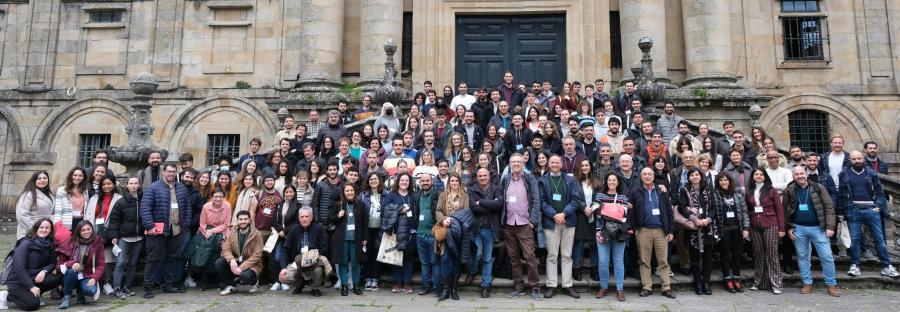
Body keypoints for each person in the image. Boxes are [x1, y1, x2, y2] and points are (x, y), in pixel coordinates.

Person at [840, 151, 899, 277]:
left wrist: (878, 207)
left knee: (880, 240)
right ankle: (855, 265)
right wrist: (842, 212)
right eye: (854, 159)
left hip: (871, 211)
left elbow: (880, 192)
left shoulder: (871, 173)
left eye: (859, 158)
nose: (857, 160)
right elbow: (841, 195)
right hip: (853, 210)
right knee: (855, 240)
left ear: (863, 159)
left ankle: (886, 265)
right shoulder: (844, 174)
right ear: (850, 160)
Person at [783, 166, 840, 297]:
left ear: (806, 174)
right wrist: (789, 227)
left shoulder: (818, 188)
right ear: (793, 176)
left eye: (801, 173)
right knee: (802, 257)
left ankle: (831, 284)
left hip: (818, 228)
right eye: (796, 174)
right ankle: (807, 282)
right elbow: (785, 210)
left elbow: (829, 207)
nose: (799, 176)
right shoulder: (790, 190)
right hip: (799, 228)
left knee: (827, 257)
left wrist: (830, 227)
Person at [139, 164, 192, 298]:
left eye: (173, 172)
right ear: (164, 172)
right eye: (168, 171)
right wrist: (149, 226)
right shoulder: (153, 188)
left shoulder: (181, 188)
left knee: (172, 258)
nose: (171, 174)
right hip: (156, 230)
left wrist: (185, 223)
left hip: (176, 229)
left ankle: (169, 285)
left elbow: (187, 207)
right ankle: (148, 288)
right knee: (153, 258)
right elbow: (145, 209)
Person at [500, 154, 543, 300]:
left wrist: (533, 222)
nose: (516, 164)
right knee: (513, 257)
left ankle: (535, 286)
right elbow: (502, 200)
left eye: (518, 161)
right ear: (510, 164)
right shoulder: (505, 179)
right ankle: (518, 286)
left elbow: (537, 200)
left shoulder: (529, 178)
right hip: (509, 224)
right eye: (513, 162)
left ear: (523, 164)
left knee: (530, 256)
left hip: (525, 224)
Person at [629, 168, 676, 299]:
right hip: (643, 230)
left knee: (663, 260)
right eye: (644, 174)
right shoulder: (635, 191)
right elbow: (630, 211)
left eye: (649, 174)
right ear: (640, 176)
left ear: (654, 176)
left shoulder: (662, 190)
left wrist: (670, 230)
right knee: (644, 260)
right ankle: (646, 287)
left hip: (661, 230)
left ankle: (666, 287)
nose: (647, 176)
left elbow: (669, 212)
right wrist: (635, 228)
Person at [3, 218, 61, 311]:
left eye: (47, 228)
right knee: (33, 305)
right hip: (17, 281)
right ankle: (8, 296)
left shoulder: (51, 244)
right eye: (41, 227)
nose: (44, 230)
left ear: (50, 230)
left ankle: (36, 293)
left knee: (58, 277)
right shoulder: (26, 243)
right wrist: (31, 286)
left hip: (34, 276)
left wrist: (44, 271)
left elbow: (52, 263)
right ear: (36, 228)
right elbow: (19, 268)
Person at [677, 168, 716, 295]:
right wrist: (694, 219)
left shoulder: (709, 189)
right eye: (692, 175)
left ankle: (706, 283)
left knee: (708, 258)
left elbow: (714, 207)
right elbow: (682, 208)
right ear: (688, 178)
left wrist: (708, 219)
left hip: (707, 228)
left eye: (697, 174)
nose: (695, 177)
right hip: (693, 228)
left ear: (701, 176)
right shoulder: (685, 190)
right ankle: (698, 283)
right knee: (694, 258)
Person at [592, 173, 630, 301]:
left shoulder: (623, 197)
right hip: (602, 231)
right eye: (609, 180)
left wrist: (605, 209)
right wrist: (614, 209)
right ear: (606, 181)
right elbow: (595, 210)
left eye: (614, 180)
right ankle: (604, 287)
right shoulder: (600, 195)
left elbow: (623, 214)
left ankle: (620, 289)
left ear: (618, 182)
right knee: (603, 261)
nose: (612, 182)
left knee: (618, 260)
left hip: (619, 232)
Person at [746, 168, 785, 294]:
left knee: (772, 255)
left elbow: (779, 210)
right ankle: (760, 283)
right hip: (754, 225)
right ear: (752, 177)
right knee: (758, 254)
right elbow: (747, 209)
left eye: (761, 174)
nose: (758, 176)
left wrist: (782, 228)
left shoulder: (772, 190)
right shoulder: (750, 191)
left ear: (765, 176)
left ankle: (776, 284)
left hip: (770, 224)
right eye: (756, 174)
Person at [105, 177, 144, 299]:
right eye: (131, 183)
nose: (133, 185)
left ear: (139, 185)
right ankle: (117, 288)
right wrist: (114, 236)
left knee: (133, 263)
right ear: (127, 185)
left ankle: (127, 286)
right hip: (124, 238)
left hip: (139, 237)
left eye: (136, 183)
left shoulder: (143, 200)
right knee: (121, 262)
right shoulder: (121, 202)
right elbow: (114, 220)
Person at [711, 173, 749, 293]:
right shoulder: (715, 195)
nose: (724, 182)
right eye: (721, 180)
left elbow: (744, 212)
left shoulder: (737, 194)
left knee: (737, 255)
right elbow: (715, 214)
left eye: (726, 180)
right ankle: (727, 279)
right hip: (724, 230)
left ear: (729, 181)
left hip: (737, 229)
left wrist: (746, 228)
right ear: (718, 182)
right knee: (725, 255)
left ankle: (736, 278)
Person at [82, 176, 121, 295]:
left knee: (108, 259)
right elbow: (88, 214)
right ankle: (94, 281)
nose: (106, 186)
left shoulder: (119, 198)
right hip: (94, 231)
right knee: (94, 257)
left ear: (114, 185)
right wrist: (87, 230)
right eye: (104, 184)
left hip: (110, 232)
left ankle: (107, 282)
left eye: (109, 184)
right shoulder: (94, 198)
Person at [467, 168, 502, 298]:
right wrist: (491, 207)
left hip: (490, 228)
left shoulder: (496, 188)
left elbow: (499, 204)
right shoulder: (472, 189)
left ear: (489, 176)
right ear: (477, 177)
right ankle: (473, 270)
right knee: (476, 254)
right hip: (475, 227)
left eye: (484, 175)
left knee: (487, 258)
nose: (482, 178)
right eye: (480, 176)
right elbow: (473, 207)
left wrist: (481, 202)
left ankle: (486, 285)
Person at [279, 207, 329, 296]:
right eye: (302, 217)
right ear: (299, 218)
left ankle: (315, 288)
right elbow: (285, 249)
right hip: (297, 262)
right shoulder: (294, 229)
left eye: (307, 216)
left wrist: (313, 257)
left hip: (314, 261)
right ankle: (301, 283)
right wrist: (283, 267)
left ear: (311, 217)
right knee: (283, 277)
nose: (304, 219)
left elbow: (324, 248)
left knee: (318, 271)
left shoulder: (318, 228)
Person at [435, 173, 469, 301]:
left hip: (458, 233)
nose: (454, 183)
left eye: (456, 181)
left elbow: (466, 212)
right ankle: (445, 289)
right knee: (445, 260)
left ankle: (454, 289)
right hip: (445, 232)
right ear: (449, 182)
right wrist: (443, 219)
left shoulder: (464, 196)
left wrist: (454, 220)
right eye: (452, 181)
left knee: (456, 261)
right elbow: (438, 210)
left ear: (460, 183)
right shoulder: (443, 195)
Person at [381, 173, 417, 294]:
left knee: (408, 258)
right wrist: (400, 209)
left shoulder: (413, 196)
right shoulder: (391, 195)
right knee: (396, 258)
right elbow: (386, 209)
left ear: (410, 182)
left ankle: (406, 283)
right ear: (398, 181)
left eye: (407, 180)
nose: (404, 182)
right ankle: (397, 283)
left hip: (411, 231)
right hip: (396, 231)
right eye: (402, 180)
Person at [329, 184, 368, 296]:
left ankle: (356, 285)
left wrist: (365, 238)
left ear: (355, 192)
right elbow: (331, 219)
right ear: (344, 193)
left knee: (356, 262)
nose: (350, 192)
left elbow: (365, 223)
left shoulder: (361, 204)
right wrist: (338, 216)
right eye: (347, 191)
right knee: (343, 262)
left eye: (351, 190)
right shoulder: (339, 205)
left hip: (357, 238)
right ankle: (344, 285)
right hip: (342, 239)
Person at [56, 220, 105, 309]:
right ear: (79, 231)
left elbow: (101, 264)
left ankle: (80, 292)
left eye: (88, 229)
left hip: (86, 275)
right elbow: (58, 266)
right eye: (83, 230)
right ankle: (67, 297)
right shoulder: (70, 241)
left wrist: (94, 278)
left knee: (90, 290)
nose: (86, 232)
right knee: (71, 271)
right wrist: (72, 263)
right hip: (69, 277)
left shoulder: (97, 242)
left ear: (92, 229)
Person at [217, 210, 263, 295]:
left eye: (245, 219)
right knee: (219, 263)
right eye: (240, 219)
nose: (243, 221)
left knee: (245, 276)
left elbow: (257, 255)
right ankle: (232, 286)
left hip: (252, 264)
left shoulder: (257, 234)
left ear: (249, 220)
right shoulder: (233, 232)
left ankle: (254, 282)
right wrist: (231, 260)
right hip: (237, 260)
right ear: (237, 220)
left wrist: (241, 268)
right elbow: (226, 249)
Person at [413, 173, 441, 296]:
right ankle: (426, 285)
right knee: (424, 262)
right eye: (422, 181)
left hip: (433, 234)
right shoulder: (417, 195)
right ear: (420, 182)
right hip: (420, 234)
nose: (425, 183)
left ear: (432, 181)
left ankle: (436, 287)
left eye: (427, 180)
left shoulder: (438, 194)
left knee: (434, 262)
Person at [572, 159, 599, 283]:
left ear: (590, 167)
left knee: (595, 244)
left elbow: (600, 198)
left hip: (594, 216)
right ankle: (576, 269)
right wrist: (584, 208)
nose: (584, 167)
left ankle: (594, 270)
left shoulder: (597, 182)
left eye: (586, 165)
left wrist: (592, 208)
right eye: (582, 165)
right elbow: (574, 197)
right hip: (580, 216)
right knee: (579, 244)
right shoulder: (575, 181)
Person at [16, 171, 54, 240]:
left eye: (45, 178)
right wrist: (35, 229)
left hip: (45, 231)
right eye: (39, 178)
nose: (42, 180)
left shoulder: (50, 195)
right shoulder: (27, 195)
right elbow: (22, 215)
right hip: (30, 232)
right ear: (34, 180)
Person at [53, 167, 89, 232]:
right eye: (75, 175)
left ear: (83, 178)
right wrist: (57, 226)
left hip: (81, 223)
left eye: (80, 175)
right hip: (66, 223)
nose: (77, 177)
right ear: (71, 176)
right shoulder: (62, 190)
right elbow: (58, 211)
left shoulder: (85, 191)